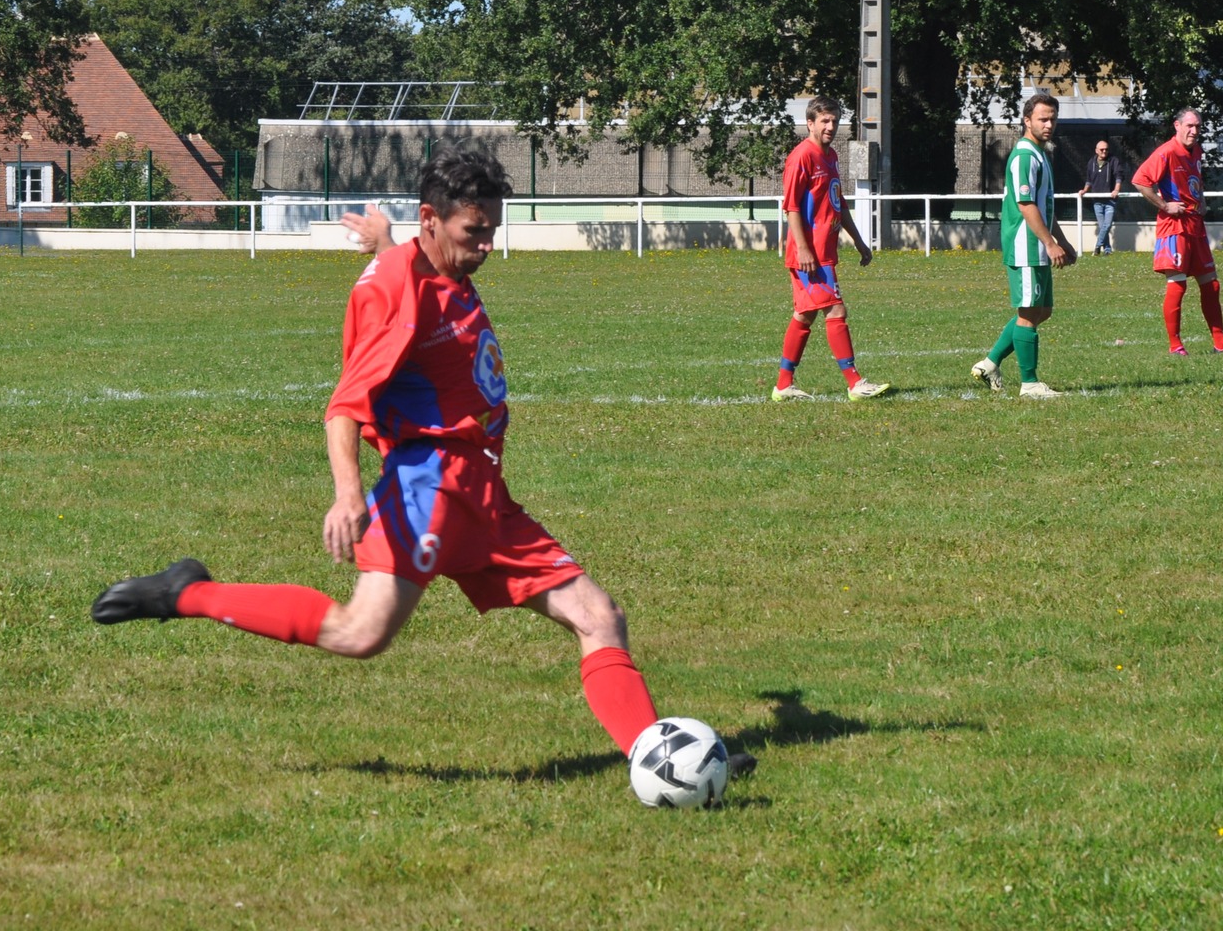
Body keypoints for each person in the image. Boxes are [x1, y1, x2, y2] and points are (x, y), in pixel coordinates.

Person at [90, 148, 754, 775]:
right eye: (475, 231)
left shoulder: (435, 262)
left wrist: (385, 242)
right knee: (359, 633)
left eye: (493, 229)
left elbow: (410, 273)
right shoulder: (395, 294)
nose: (487, 245)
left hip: (483, 490)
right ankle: (187, 592)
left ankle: (658, 755)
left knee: (599, 616)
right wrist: (349, 495)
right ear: (432, 221)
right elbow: (345, 405)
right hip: (428, 485)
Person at [772, 98, 893, 402]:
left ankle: (783, 384)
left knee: (804, 316)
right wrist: (803, 249)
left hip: (824, 251)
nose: (830, 126)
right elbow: (792, 208)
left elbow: (839, 204)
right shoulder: (801, 157)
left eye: (834, 121)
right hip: (810, 255)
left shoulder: (831, 156)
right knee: (836, 310)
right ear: (810, 123)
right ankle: (855, 382)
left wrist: (859, 241)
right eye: (824, 121)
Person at [972, 92, 1076, 399]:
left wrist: (1062, 241)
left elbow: (1045, 205)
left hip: (1039, 244)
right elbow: (1026, 203)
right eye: (1043, 118)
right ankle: (1029, 384)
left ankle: (990, 363)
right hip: (1025, 244)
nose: (1049, 124)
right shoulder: (1025, 155)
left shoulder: (1041, 154)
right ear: (1027, 120)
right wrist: (1048, 242)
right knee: (1029, 312)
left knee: (1042, 310)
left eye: (1053, 119)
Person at [1133, 108, 1223, 356]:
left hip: (1195, 225)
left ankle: (1220, 343)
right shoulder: (1167, 152)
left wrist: (1201, 199)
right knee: (1177, 285)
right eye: (1189, 125)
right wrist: (1164, 205)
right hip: (1174, 228)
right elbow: (1140, 180)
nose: (1194, 131)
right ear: (1176, 126)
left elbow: (1195, 181)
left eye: (1198, 126)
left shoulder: (1197, 151)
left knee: (1211, 285)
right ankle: (1175, 345)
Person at [1079, 139, 1125, 255]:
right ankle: (1107, 250)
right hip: (1097, 200)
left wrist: (1116, 189)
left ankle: (1097, 246)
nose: (1104, 151)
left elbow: (1119, 176)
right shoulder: (1091, 162)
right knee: (1103, 226)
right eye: (1102, 149)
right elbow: (1089, 180)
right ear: (1096, 151)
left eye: (1106, 149)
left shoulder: (1113, 160)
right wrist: (1084, 190)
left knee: (1107, 225)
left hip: (1110, 200)